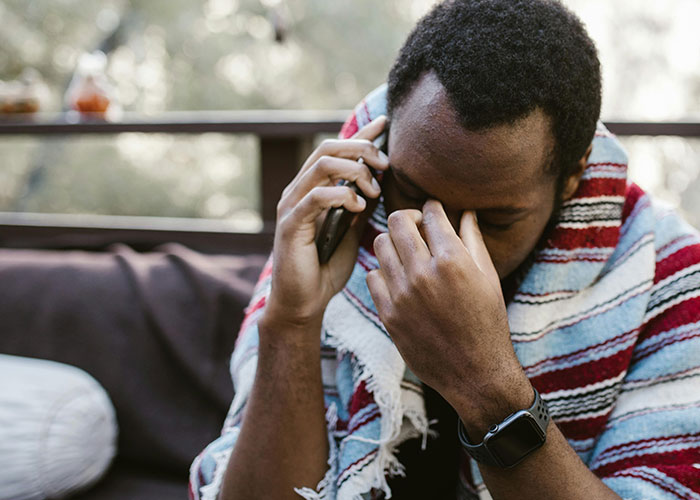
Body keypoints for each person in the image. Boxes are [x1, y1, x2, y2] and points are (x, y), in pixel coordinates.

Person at [190, 1, 700, 498]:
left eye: (494, 219)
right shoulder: (336, 218)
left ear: (572, 177)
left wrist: (485, 384)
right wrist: (291, 321)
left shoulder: (669, 280)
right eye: (412, 195)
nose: (441, 247)